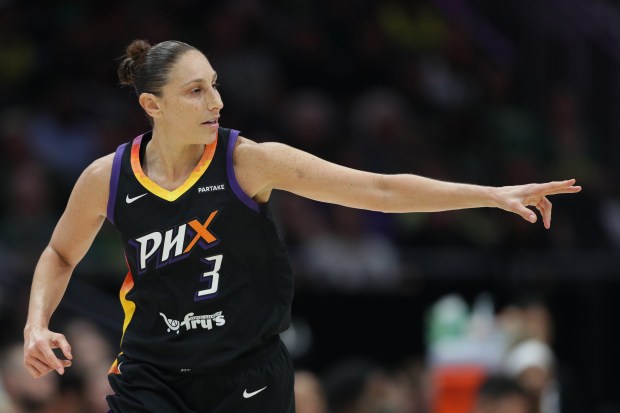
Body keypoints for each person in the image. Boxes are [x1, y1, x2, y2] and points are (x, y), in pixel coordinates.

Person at [22, 39, 581, 413]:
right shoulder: (110, 176)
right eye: (195, 91)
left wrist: (489, 194)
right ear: (153, 104)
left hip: (246, 370)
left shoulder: (247, 161)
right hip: (151, 370)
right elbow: (60, 254)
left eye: (214, 84)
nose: (216, 100)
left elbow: (377, 189)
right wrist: (36, 324)